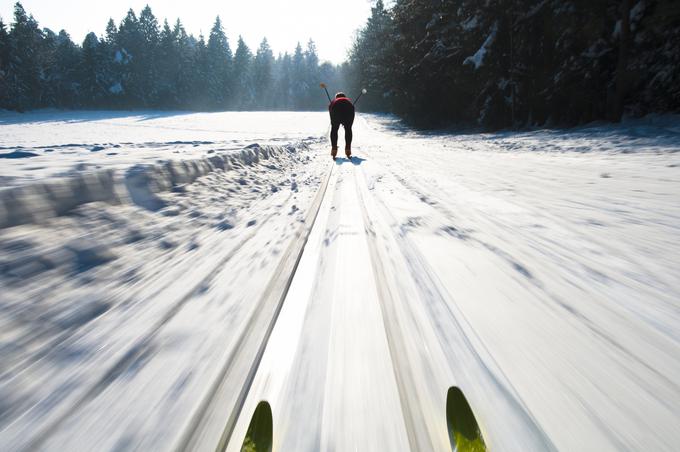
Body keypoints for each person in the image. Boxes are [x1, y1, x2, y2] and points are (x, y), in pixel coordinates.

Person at [328, 92, 355, 159]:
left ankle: (334, 149)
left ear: (336, 97)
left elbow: (330, 109)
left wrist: (335, 120)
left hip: (335, 108)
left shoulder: (335, 101)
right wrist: (345, 121)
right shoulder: (347, 100)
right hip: (349, 108)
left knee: (334, 129)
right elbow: (353, 108)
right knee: (348, 129)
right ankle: (348, 149)